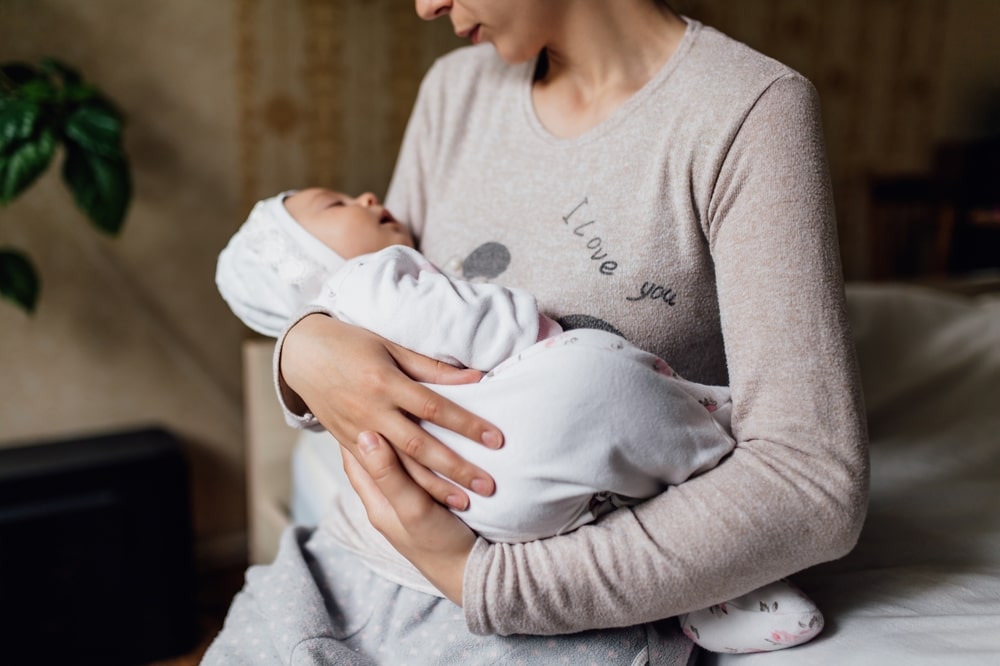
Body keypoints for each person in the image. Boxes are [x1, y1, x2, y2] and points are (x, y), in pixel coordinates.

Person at [205, 1, 868, 664]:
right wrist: (302, 348)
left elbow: (811, 485)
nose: (425, 5)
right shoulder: (455, 91)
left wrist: (480, 580)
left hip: (537, 608)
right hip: (348, 563)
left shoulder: (747, 111)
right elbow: (370, 290)